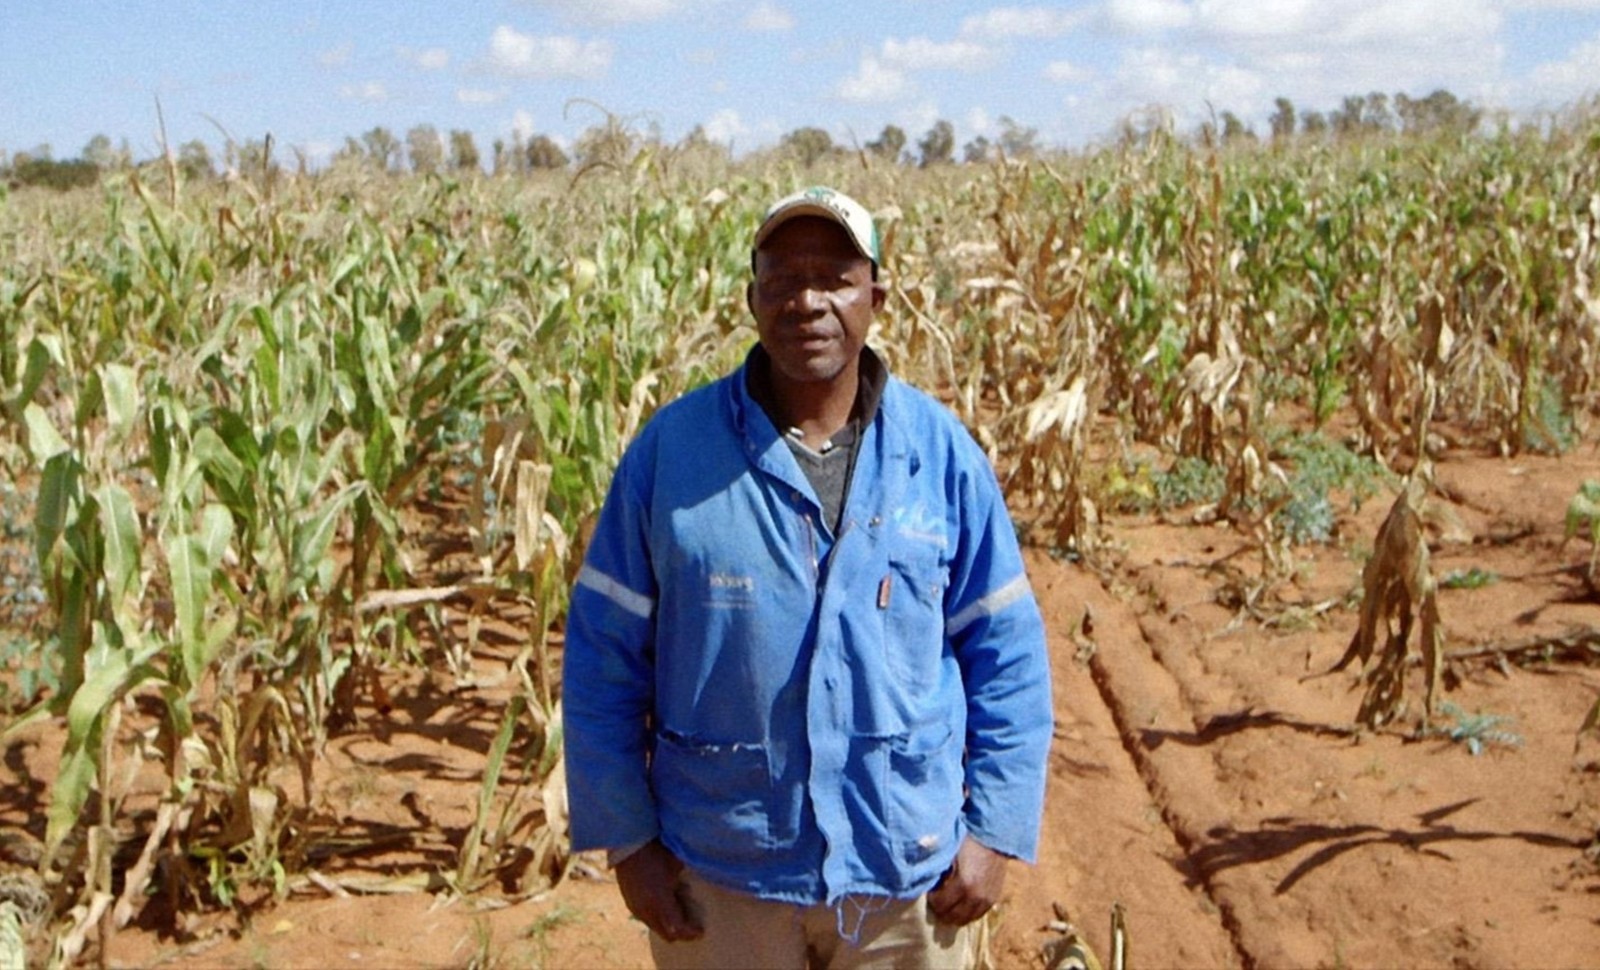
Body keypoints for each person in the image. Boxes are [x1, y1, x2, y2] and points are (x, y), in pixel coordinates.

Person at [562, 186, 1053, 969]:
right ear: (752, 299)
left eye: (834, 279)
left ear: (876, 299)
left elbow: (1007, 650)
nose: (808, 302)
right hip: (723, 872)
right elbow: (602, 655)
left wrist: (995, 828)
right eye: (784, 280)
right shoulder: (671, 454)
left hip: (903, 874)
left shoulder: (941, 454)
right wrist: (627, 840)